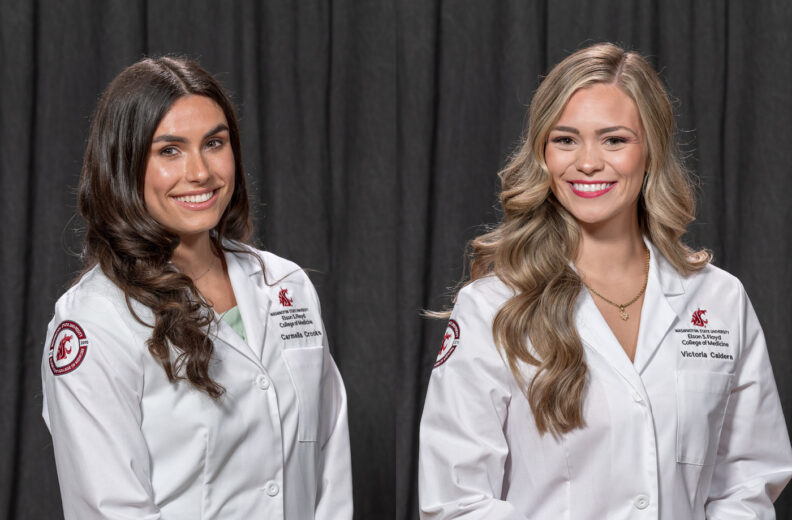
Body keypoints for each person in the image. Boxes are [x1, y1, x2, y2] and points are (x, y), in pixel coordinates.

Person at [418, 43, 792, 519]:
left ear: (651, 151)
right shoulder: (491, 306)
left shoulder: (720, 299)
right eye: (566, 139)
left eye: (614, 140)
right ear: (542, 153)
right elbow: (457, 501)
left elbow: (750, 478)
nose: (588, 162)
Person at [41, 56, 352, 519]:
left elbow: (330, 465)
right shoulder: (92, 321)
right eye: (169, 150)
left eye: (214, 143)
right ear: (124, 164)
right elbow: (111, 510)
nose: (200, 172)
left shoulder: (288, 286)